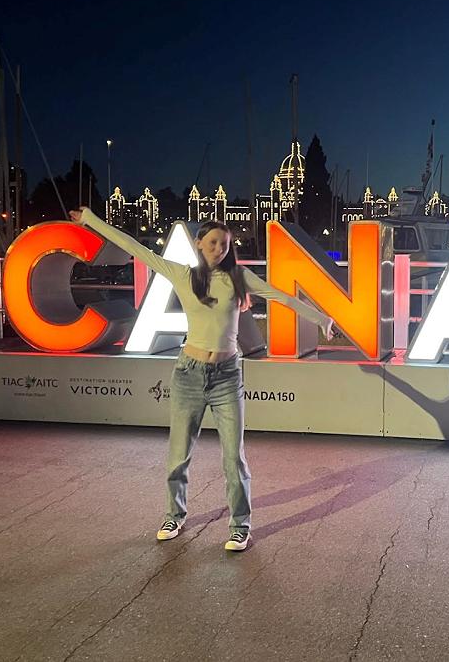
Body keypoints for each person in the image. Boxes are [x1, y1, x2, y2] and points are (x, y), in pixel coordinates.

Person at [70, 207, 335, 551]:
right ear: (198, 243)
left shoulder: (238, 277)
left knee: (234, 458)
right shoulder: (183, 275)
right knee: (178, 455)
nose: (219, 249)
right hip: (189, 375)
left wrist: (322, 319)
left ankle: (240, 526)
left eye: (224, 244)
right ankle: (174, 515)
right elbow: (136, 248)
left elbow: (280, 296)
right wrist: (90, 220)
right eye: (212, 243)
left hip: (227, 377)